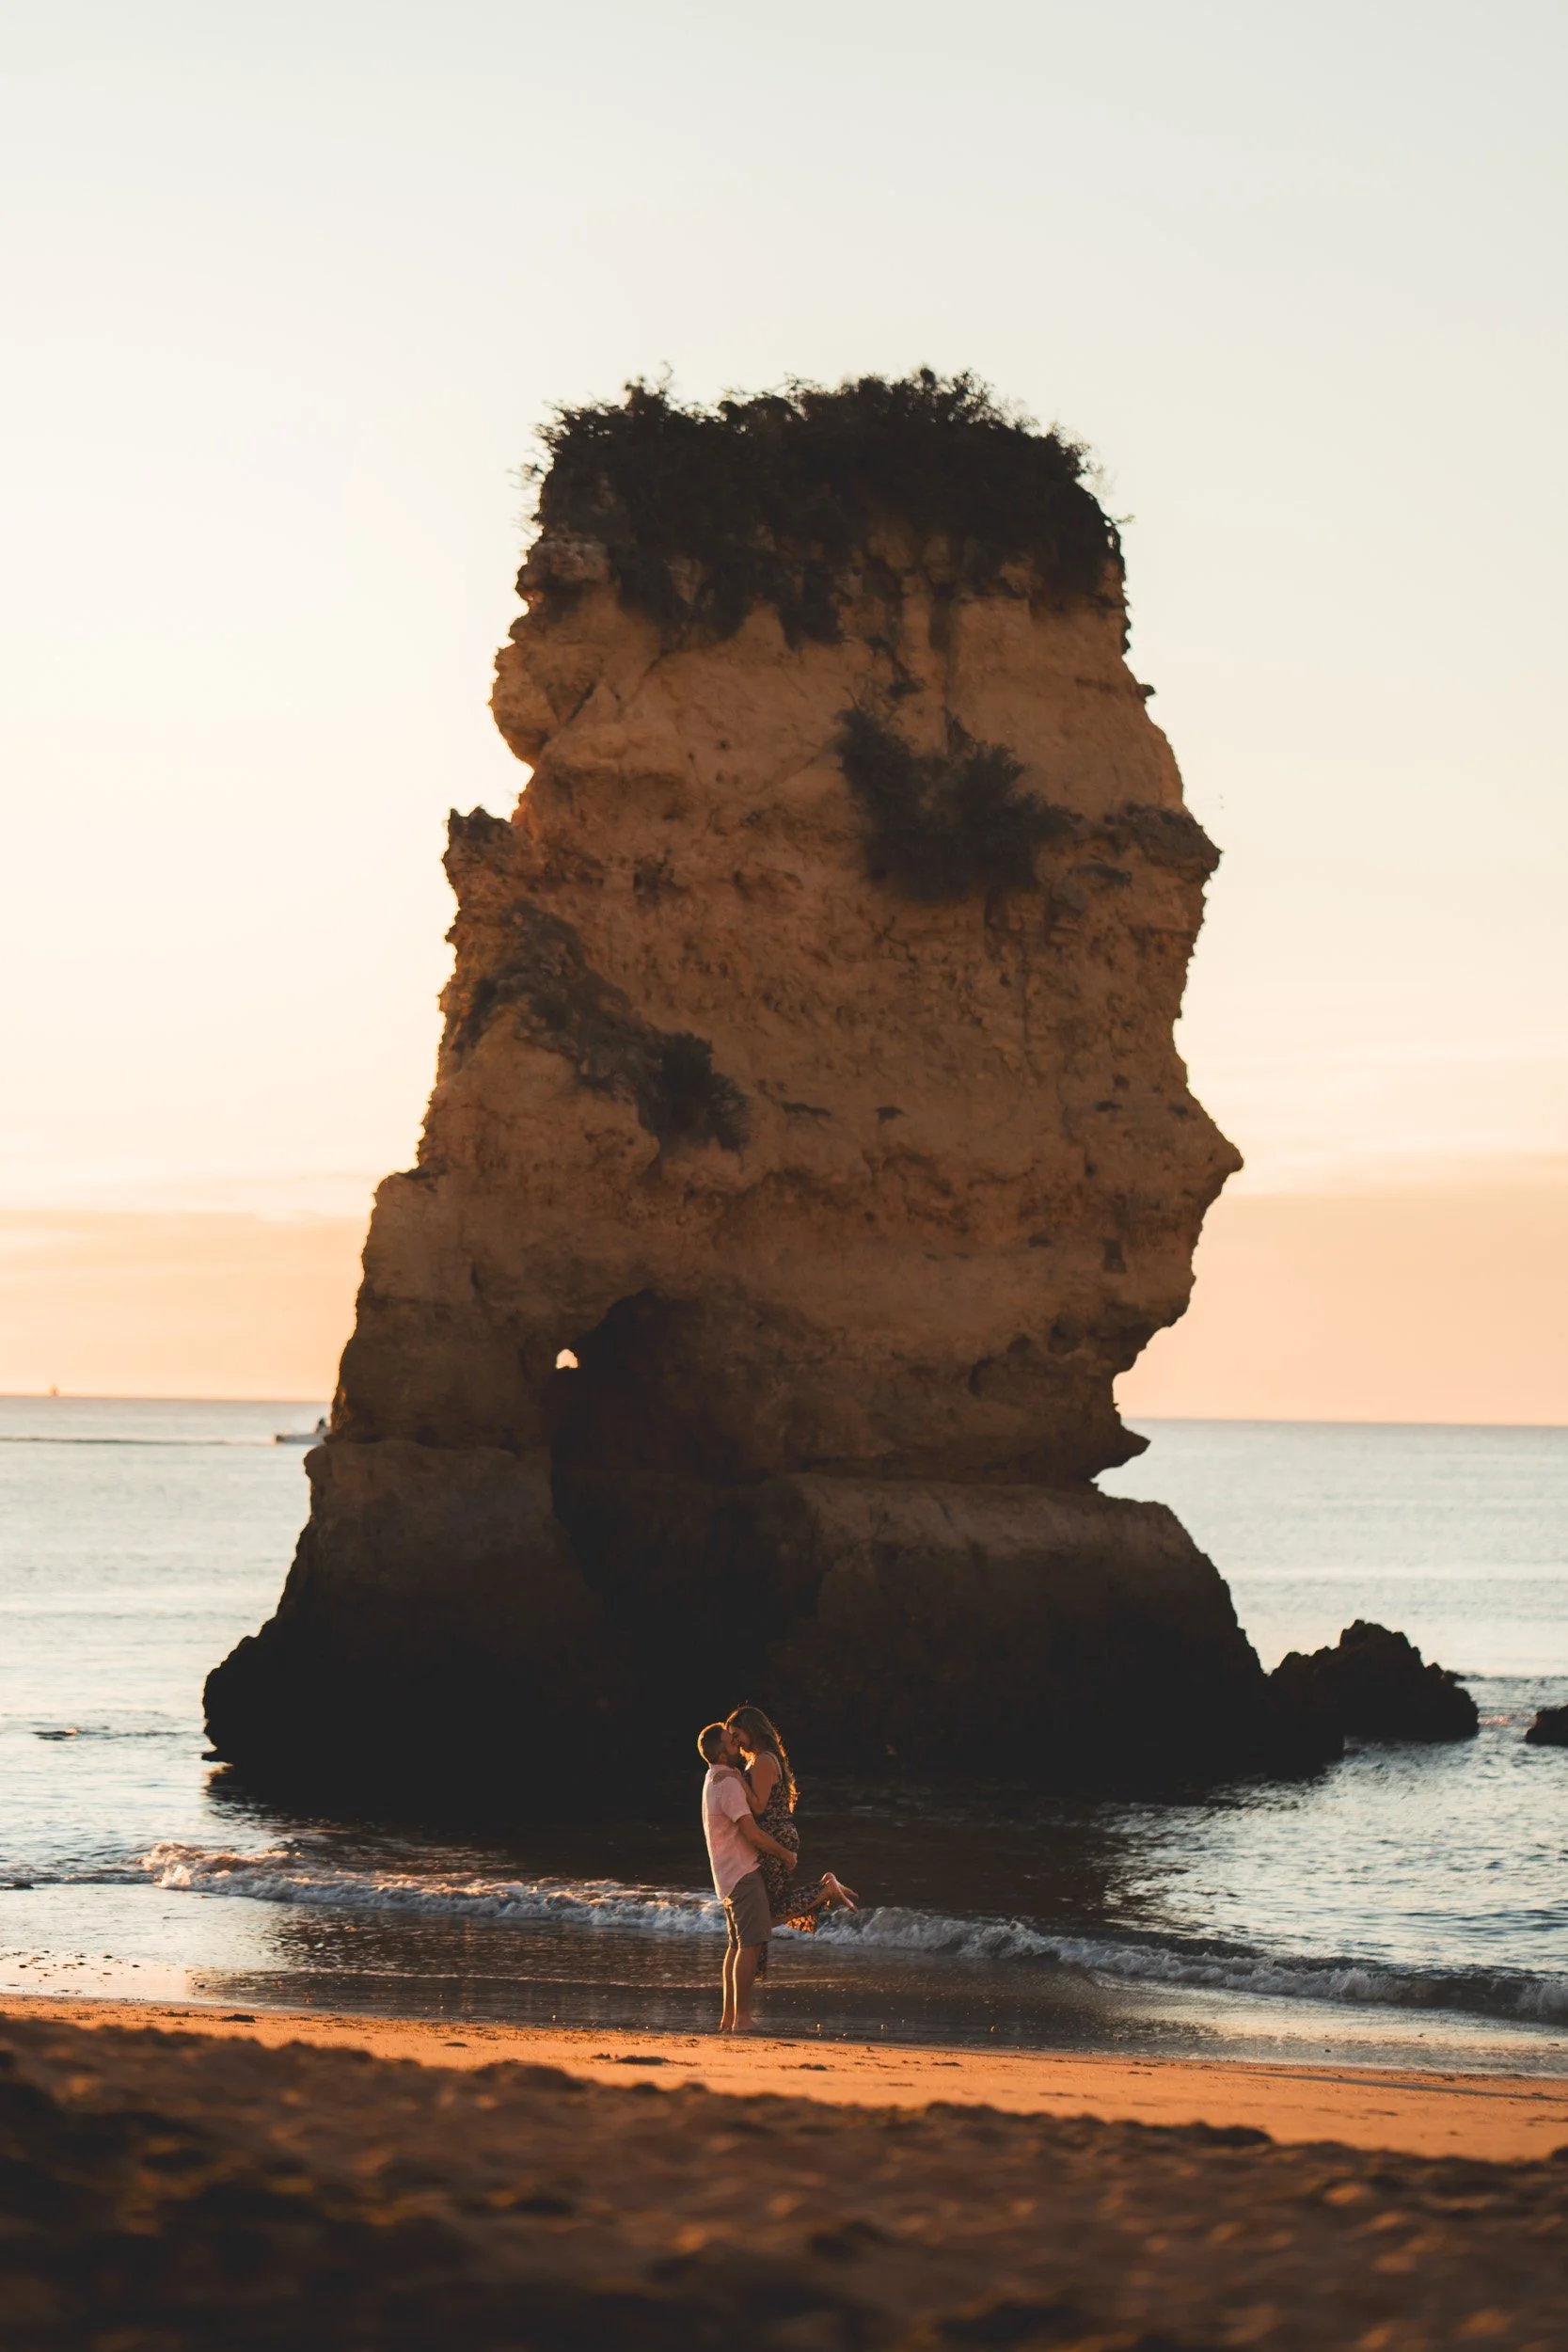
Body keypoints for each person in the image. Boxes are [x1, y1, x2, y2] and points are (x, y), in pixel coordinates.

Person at [697, 1721, 798, 2033]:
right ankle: (742, 2018)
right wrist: (784, 1853)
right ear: (723, 1755)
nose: (737, 1744)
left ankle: (729, 2018)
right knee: (750, 1944)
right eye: (731, 1742)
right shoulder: (727, 1784)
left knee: (736, 1945)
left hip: (726, 1874)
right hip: (742, 1873)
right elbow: (752, 1832)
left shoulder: (715, 1777)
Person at [724, 1704, 858, 1937]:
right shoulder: (759, 1760)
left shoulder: (763, 1761)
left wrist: (737, 1777)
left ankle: (825, 1890)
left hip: (773, 1838)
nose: (736, 1742)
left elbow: (758, 1807)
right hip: (771, 1837)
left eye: (737, 1735)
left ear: (752, 1730)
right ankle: (824, 1888)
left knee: (767, 1912)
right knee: (763, 1911)